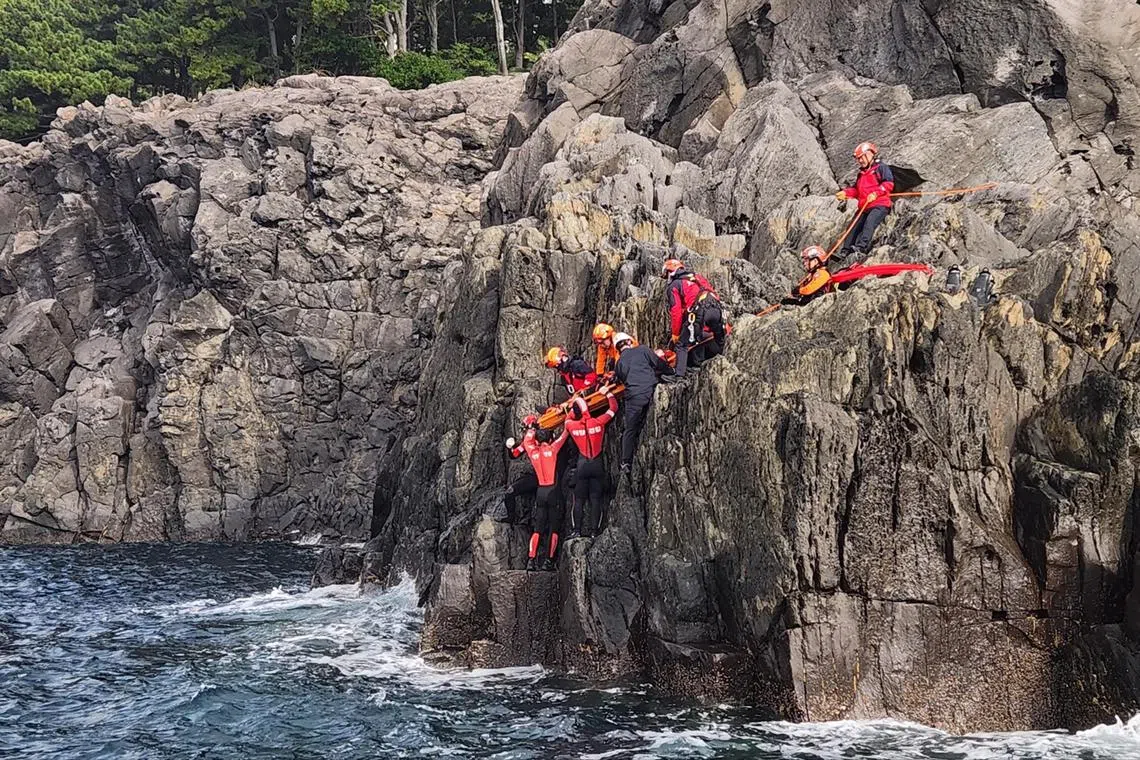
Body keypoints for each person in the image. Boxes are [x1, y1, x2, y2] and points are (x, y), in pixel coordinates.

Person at [613, 332, 673, 473]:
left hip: (634, 397)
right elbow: (658, 364)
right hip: (650, 389)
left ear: (618, 348)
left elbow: (622, 379)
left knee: (630, 429)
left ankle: (626, 463)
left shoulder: (619, 364)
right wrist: (672, 371)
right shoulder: (643, 350)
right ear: (629, 341)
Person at [564, 389, 618, 537]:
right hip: (597, 464)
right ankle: (594, 532)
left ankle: (577, 531)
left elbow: (568, 418)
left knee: (578, 499)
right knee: (596, 499)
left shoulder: (571, 426)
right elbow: (614, 408)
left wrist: (573, 405)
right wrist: (607, 393)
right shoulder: (599, 421)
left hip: (582, 465)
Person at [662, 259, 726, 378]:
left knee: (682, 345)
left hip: (699, 311)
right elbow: (712, 292)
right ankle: (723, 363)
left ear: (670, 272)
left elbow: (676, 311)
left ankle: (679, 376)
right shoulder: (697, 277)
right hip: (716, 308)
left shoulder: (674, 285)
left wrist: (676, 334)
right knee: (719, 339)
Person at [833, 141, 894, 264]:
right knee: (853, 226)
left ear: (870, 154)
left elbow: (889, 183)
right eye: (858, 159)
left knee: (869, 222)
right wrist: (846, 193)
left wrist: (876, 193)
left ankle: (861, 248)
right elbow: (857, 190)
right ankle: (845, 251)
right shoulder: (861, 174)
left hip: (880, 204)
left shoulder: (881, 168)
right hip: (865, 206)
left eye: (861, 157)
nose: (860, 161)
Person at [522, 425, 570, 571]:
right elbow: (565, 434)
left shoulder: (532, 451)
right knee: (553, 528)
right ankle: (548, 562)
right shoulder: (553, 448)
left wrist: (532, 428)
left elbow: (527, 440)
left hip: (540, 491)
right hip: (552, 491)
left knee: (538, 528)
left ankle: (531, 560)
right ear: (550, 440)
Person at [502, 414, 540, 525]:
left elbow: (515, 454)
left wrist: (510, 448)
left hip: (537, 477)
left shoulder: (531, 441)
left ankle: (511, 519)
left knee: (510, 492)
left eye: (525, 427)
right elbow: (515, 454)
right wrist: (510, 447)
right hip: (539, 476)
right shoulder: (528, 441)